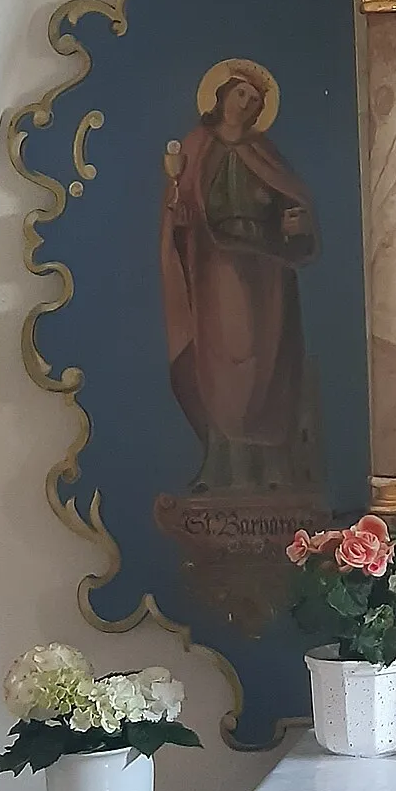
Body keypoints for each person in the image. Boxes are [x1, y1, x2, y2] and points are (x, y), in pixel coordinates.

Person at [160, 61, 318, 492]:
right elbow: (180, 212)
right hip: (216, 267)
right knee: (222, 362)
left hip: (264, 269)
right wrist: (177, 201)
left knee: (266, 364)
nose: (245, 105)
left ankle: (271, 466)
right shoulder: (196, 145)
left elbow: (293, 206)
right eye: (240, 94)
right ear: (222, 95)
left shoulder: (264, 153)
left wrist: (296, 225)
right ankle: (221, 463)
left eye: (254, 100)